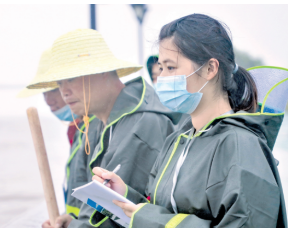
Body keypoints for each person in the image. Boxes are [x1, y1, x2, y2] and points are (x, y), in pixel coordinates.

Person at [92, 14, 288, 228]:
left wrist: (147, 219)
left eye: (171, 68)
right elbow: (159, 214)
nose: (162, 78)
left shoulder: (241, 146)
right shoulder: (177, 140)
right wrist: (125, 196)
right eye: (160, 68)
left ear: (210, 69)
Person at [28, 28, 185, 228]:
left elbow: (114, 217)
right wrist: (73, 221)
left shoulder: (140, 126)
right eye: (59, 82)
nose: (64, 91)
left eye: (71, 78)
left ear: (101, 71)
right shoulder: (104, 122)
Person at [17, 48, 101, 226]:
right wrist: (66, 219)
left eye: (54, 89)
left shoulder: (95, 127)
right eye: (44, 92)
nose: (48, 100)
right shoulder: (76, 128)